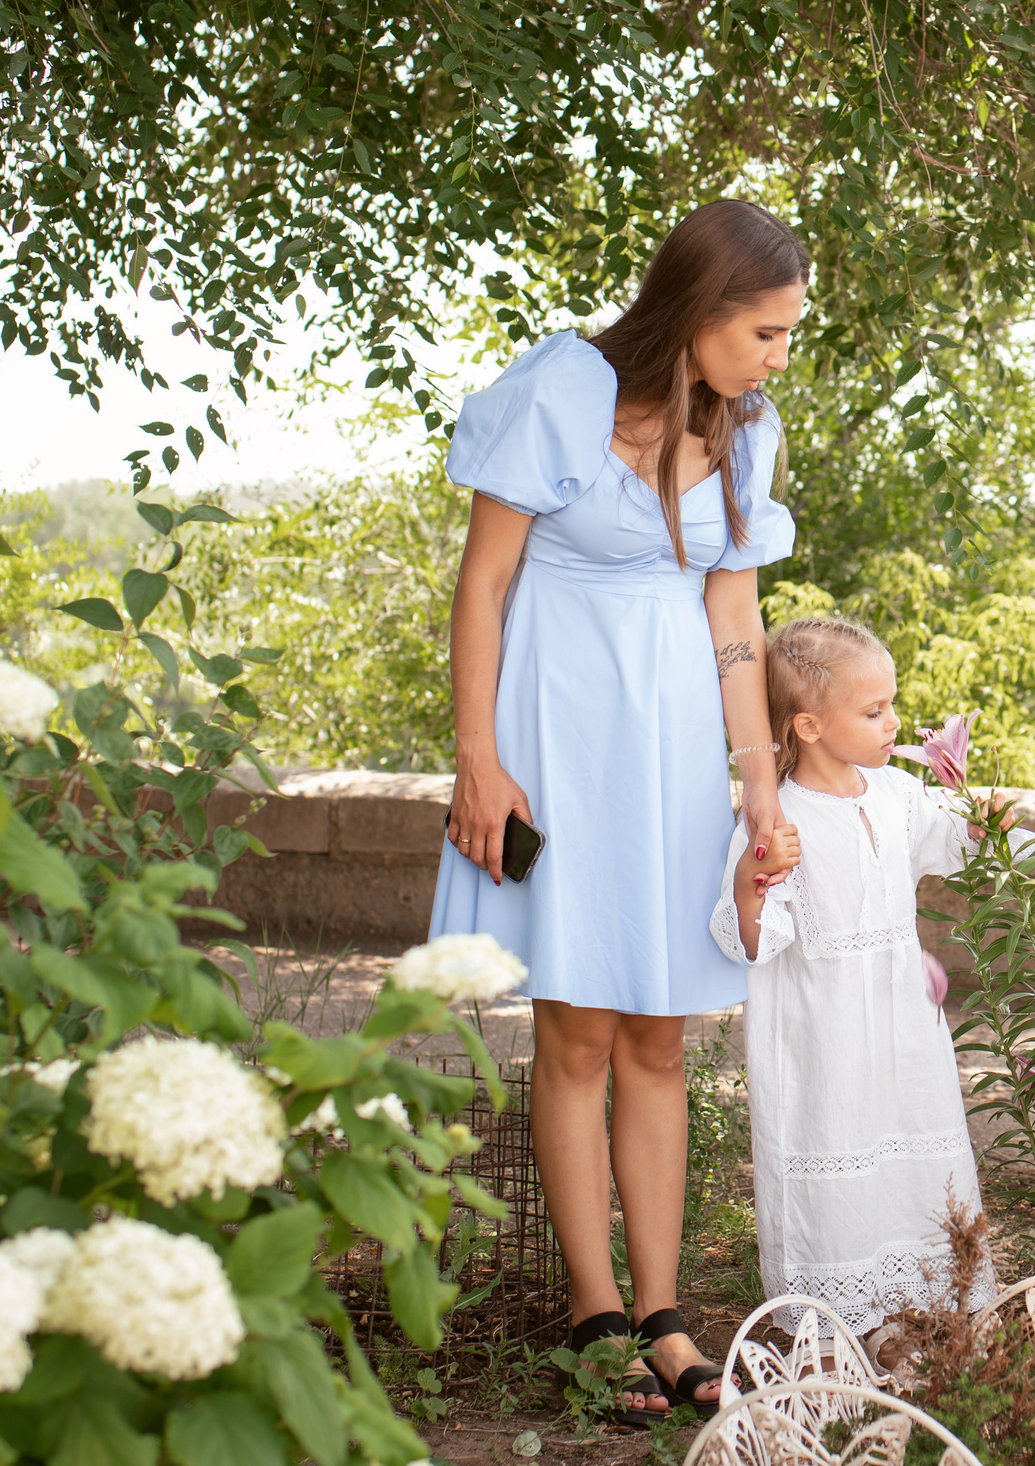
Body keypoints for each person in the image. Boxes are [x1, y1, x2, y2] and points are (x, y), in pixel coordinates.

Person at [430, 200, 805, 1425]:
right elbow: (484, 585)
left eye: (788, 333)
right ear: (696, 313)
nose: (776, 355)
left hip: (672, 753)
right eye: (763, 330)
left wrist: (756, 783)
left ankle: (663, 1315)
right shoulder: (563, 389)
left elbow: (736, 624)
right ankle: (592, 1311)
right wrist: (477, 758)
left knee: (659, 1035)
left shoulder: (747, 433)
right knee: (576, 1031)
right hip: (555, 738)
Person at [709, 616, 1035, 1338]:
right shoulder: (781, 815)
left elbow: (953, 840)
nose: (895, 722)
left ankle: (926, 1299)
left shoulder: (896, 793)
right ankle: (842, 1317)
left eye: (892, 703)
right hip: (824, 1038)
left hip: (900, 1025)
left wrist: (987, 823)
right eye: (873, 710)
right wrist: (750, 881)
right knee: (837, 1150)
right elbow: (753, 943)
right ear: (810, 724)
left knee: (912, 1142)